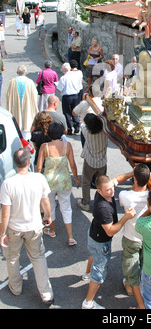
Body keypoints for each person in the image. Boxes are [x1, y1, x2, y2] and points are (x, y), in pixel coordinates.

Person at [0, 148, 54, 305]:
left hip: (14, 228)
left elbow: (5, 212)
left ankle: (15, 287)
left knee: (12, 258)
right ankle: (46, 293)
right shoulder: (39, 178)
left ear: (15, 163)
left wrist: (2, 233)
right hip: (34, 226)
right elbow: (45, 201)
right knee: (38, 258)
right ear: (29, 161)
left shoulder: (8, 184)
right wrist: (48, 216)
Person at [82, 172, 136, 309]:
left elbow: (117, 179)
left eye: (112, 187)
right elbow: (110, 230)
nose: (112, 191)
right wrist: (126, 217)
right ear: (99, 191)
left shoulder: (106, 188)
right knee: (99, 273)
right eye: (108, 190)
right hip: (101, 241)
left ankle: (86, 273)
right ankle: (88, 303)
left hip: (93, 234)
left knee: (94, 255)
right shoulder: (103, 208)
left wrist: (132, 173)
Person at [36, 123, 81, 245]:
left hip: (48, 183)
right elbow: (72, 164)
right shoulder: (67, 145)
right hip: (64, 181)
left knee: (50, 206)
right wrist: (76, 178)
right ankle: (71, 237)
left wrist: (36, 179)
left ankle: (51, 230)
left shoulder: (44, 147)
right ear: (61, 133)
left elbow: (39, 167)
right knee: (66, 208)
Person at [119, 163, 151, 309]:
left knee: (131, 269)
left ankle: (137, 298)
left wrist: (130, 175)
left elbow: (115, 183)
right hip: (146, 238)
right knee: (143, 265)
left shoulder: (126, 196)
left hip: (130, 238)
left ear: (135, 179)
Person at [77, 113, 108, 212]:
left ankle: (86, 203)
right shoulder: (105, 132)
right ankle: (101, 202)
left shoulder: (86, 132)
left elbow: (81, 124)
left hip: (90, 161)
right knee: (102, 183)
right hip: (102, 161)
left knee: (86, 181)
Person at [6, 65, 38, 140]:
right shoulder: (30, 82)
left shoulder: (12, 82)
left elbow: (8, 95)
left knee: (17, 121)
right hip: (27, 106)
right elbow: (34, 94)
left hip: (16, 107)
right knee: (27, 120)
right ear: (26, 73)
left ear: (17, 72)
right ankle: (26, 139)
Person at [56, 62, 82, 135]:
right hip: (76, 95)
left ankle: (69, 128)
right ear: (70, 69)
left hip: (67, 96)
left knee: (67, 113)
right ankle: (77, 126)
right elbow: (80, 86)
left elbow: (60, 89)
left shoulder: (63, 78)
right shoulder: (75, 76)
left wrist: (56, 86)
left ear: (64, 70)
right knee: (75, 111)